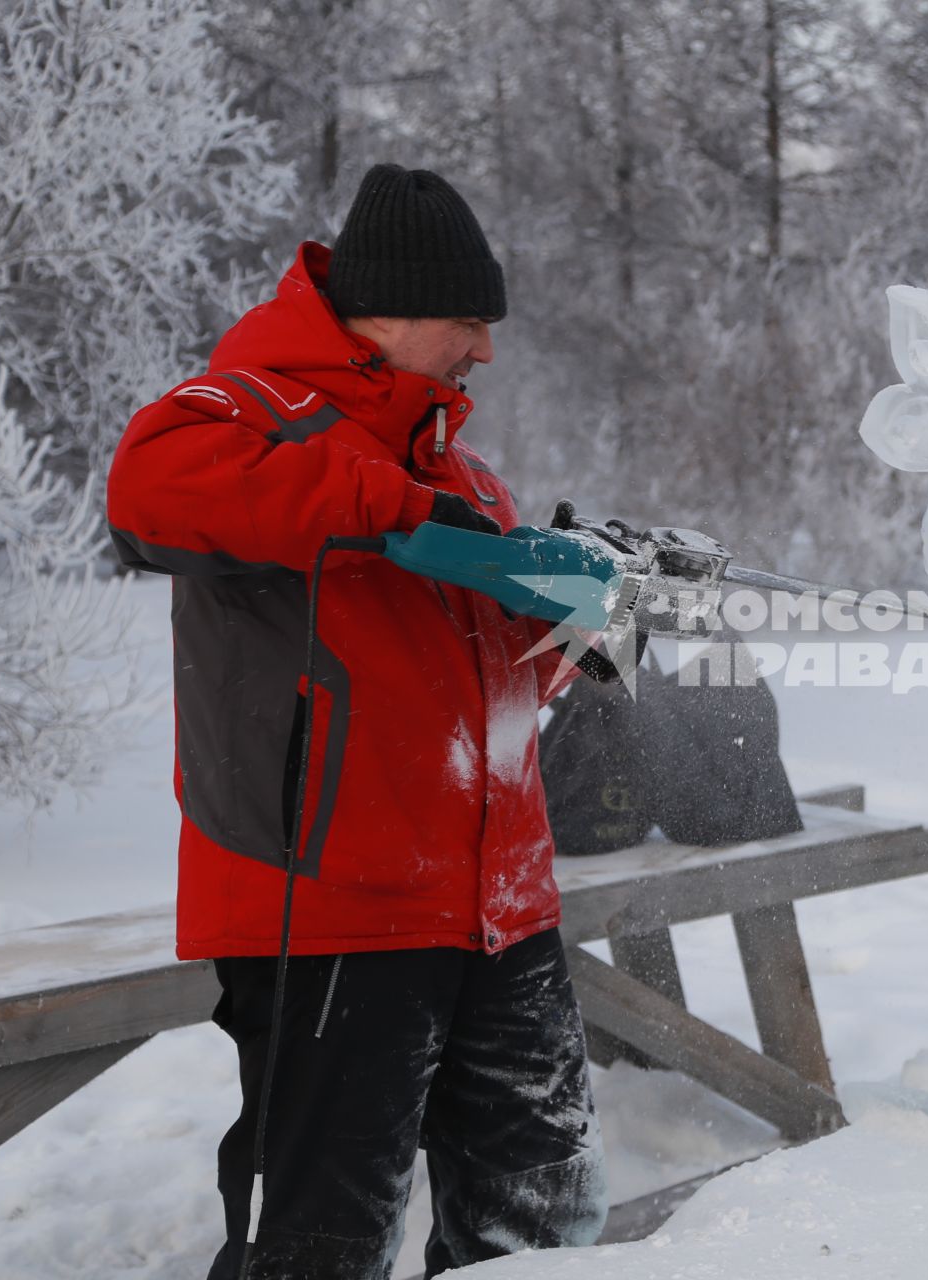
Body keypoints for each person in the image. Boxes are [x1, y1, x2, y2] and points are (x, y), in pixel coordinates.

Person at [106, 163, 608, 1279]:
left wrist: (572, 627)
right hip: (333, 907)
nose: (485, 350)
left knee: (545, 1220)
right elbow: (146, 486)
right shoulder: (241, 415)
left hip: (501, 907)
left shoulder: (467, 476)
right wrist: (394, 508)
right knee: (326, 1243)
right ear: (389, 309)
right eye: (468, 322)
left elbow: (491, 694)